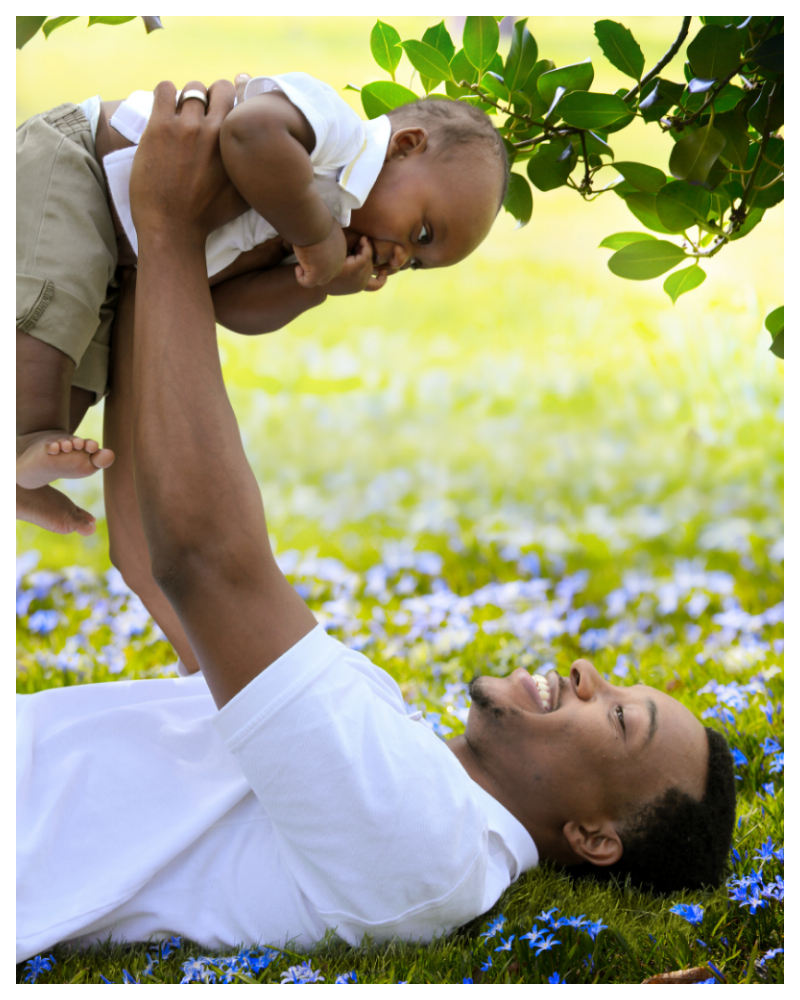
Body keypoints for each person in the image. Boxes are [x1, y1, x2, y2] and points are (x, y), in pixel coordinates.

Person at [16, 80, 737, 966]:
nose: (591, 674)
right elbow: (150, 554)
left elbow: (207, 562)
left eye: (620, 719)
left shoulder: (428, 850)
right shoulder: (403, 764)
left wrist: (167, 229)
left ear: (593, 837)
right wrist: (147, 263)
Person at [16, 70, 508, 537]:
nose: (402, 258)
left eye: (419, 264)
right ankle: (24, 439)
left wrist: (311, 285)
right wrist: (314, 236)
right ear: (405, 145)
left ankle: (17, 470)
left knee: (83, 362)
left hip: (119, 254)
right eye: (422, 233)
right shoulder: (335, 134)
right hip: (79, 168)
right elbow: (249, 131)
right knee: (57, 313)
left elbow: (227, 304)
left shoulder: (313, 227)